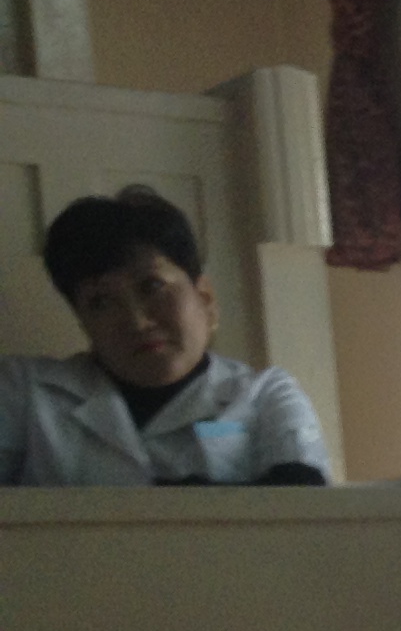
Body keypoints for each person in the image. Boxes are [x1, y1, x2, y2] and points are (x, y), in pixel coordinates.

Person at [0, 186, 330, 485]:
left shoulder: (267, 395)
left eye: (152, 286)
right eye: (101, 302)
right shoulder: (25, 393)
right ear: (82, 321)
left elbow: (302, 512)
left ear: (205, 297)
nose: (137, 322)